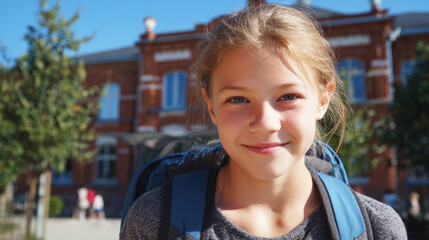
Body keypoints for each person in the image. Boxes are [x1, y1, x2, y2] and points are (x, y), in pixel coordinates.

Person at [120, 4, 406, 239]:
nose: (265, 123)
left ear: (323, 100)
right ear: (211, 106)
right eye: (238, 99)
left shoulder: (378, 229)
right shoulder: (154, 220)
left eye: (289, 96)